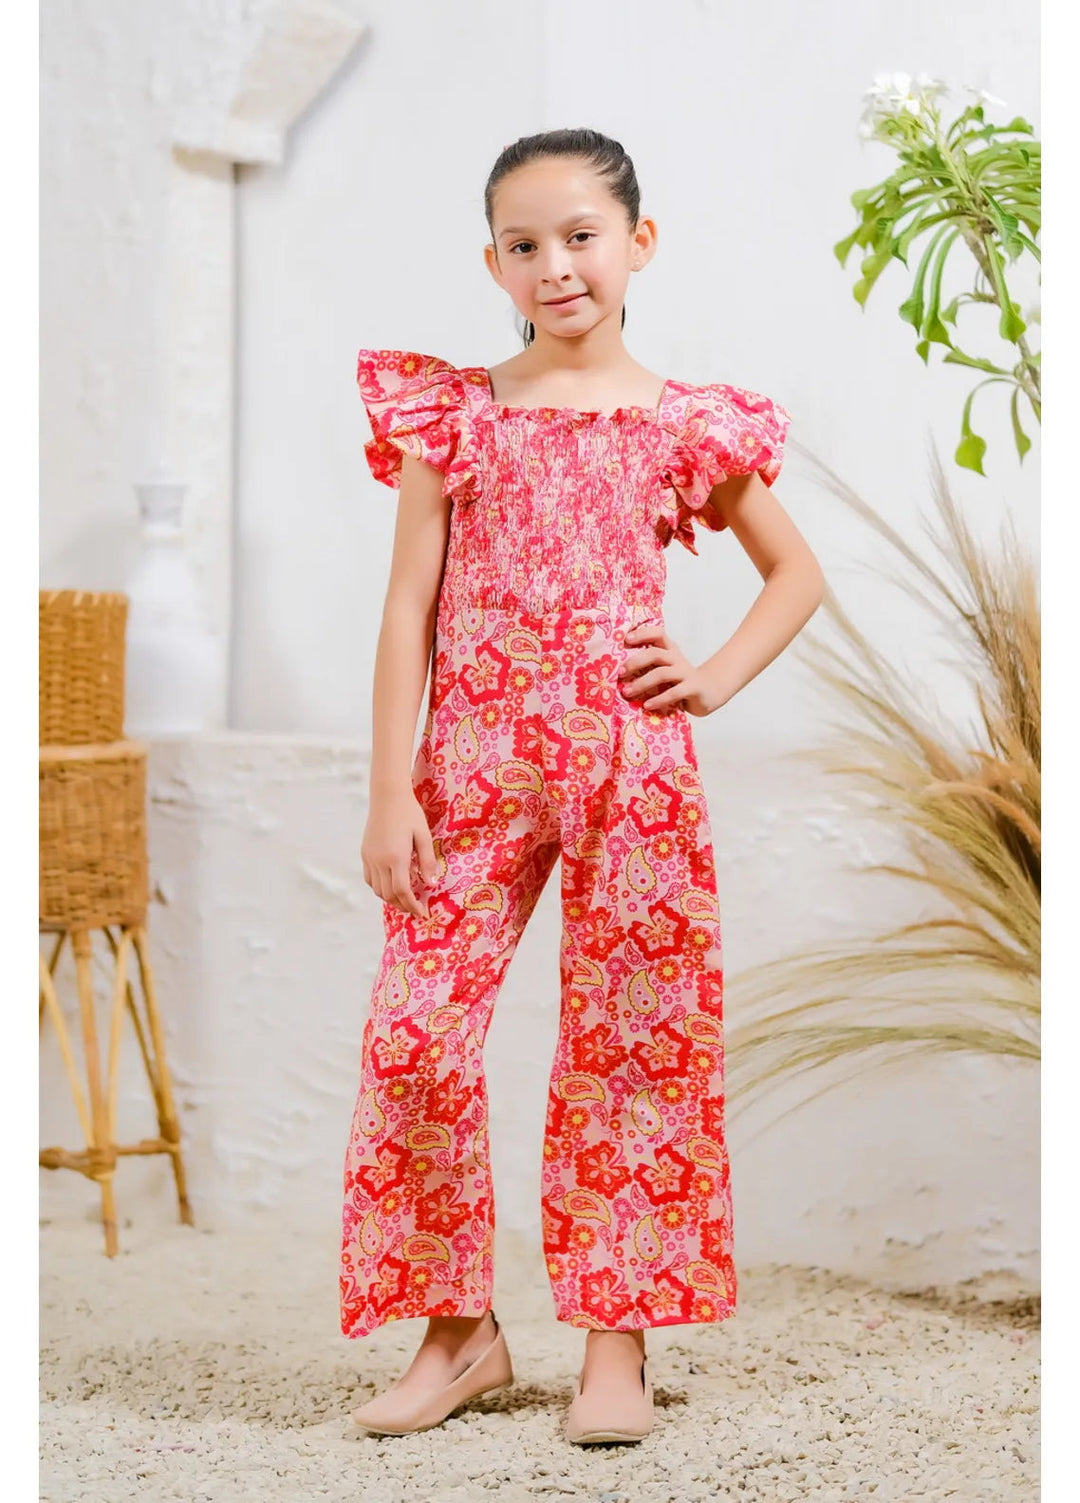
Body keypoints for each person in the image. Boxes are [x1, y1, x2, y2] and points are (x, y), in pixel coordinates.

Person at [342, 127, 825, 1445]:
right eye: (525, 244)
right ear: (493, 263)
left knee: (631, 1041)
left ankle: (617, 1345)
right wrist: (390, 789)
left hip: (630, 761)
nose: (555, 265)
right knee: (415, 1038)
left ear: (637, 244)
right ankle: (459, 1335)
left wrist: (710, 678)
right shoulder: (453, 415)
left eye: (581, 236)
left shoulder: (683, 424)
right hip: (470, 765)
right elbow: (406, 608)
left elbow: (796, 574)